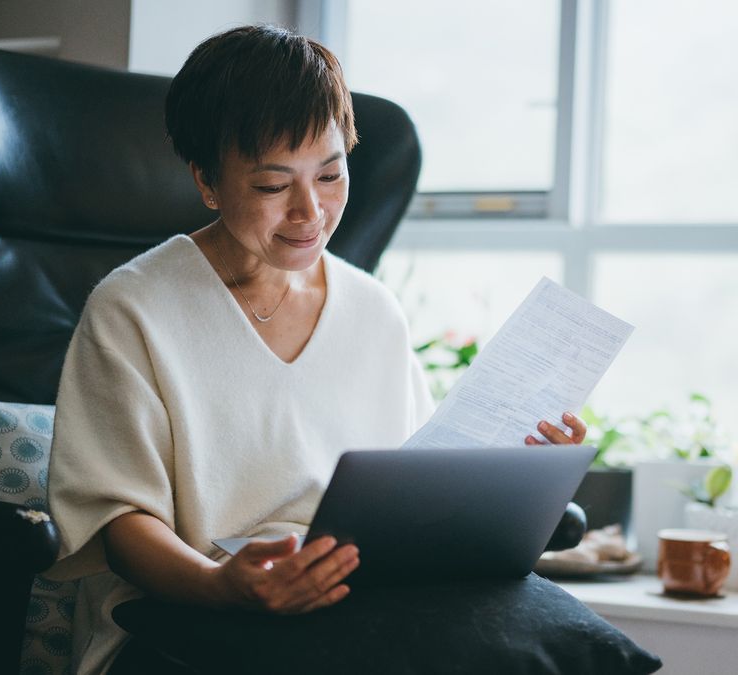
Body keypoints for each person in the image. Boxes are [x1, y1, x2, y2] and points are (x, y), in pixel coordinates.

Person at [45, 24, 587, 674]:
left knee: (556, 634)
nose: (310, 212)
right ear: (208, 182)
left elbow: (417, 490)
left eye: (330, 174)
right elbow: (119, 521)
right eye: (274, 186)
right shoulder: (133, 308)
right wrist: (222, 585)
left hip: (367, 600)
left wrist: (521, 476)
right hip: (183, 617)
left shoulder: (373, 311)